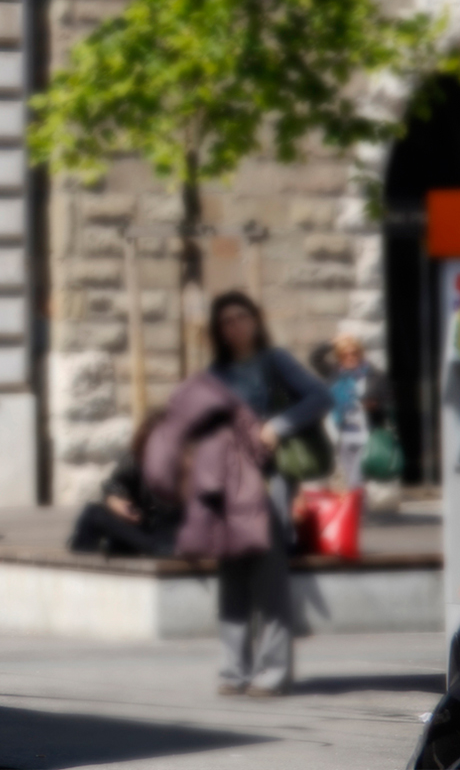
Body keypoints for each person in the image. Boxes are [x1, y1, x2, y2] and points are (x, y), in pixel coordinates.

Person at [205, 291, 331, 697]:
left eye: (241, 317)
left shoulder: (275, 362)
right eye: (226, 321)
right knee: (232, 575)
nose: (235, 326)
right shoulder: (218, 372)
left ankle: (273, 672)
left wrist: (278, 425)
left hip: (268, 477)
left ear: (255, 320)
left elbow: (320, 396)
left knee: (268, 574)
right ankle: (233, 670)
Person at [69, 412, 178, 556]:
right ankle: (82, 567)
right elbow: (114, 484)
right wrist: (116, 501)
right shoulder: (136, 460)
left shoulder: (187, 467)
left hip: (169, 541)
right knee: (92, 513)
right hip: (143, 532)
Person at [327, 334, 391, 489]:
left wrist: (375, 405)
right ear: (339, 357)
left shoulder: (374, 375)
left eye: (354, 353)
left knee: (356, 481)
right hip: (343, 435)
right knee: (352, 481)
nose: (350, 357)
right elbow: (314, 358)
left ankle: (358, 513)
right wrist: (331, 343)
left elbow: (388, 400)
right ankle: (361, 512)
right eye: (344, 355)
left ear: (360, 354)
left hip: (366, 435)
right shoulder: (336, 375)